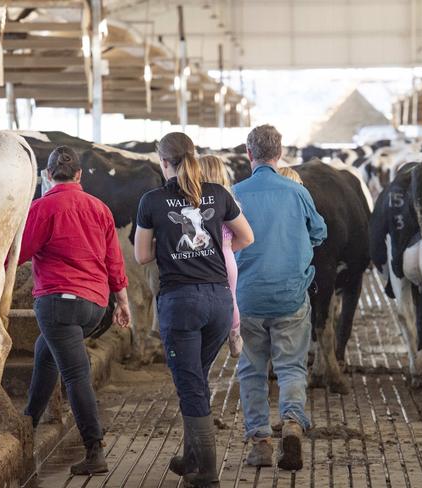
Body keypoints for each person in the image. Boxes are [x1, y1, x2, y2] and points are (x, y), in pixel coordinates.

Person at [134, 132, 254, 487]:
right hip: (219, 302)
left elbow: (141, 256)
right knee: (196, 379)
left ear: (162, 160)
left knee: (189, 387)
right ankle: (190, 458)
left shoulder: (152, 200)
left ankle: (207, 472)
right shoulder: (217, 194)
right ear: (194, 156)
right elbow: (246, 237)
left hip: (180, 303)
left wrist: (171, 248)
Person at [18, 146, 132, 475]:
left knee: (75, 373)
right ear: (80, 175)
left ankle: (94, 449)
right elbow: (114, 260)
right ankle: (29, 423)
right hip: (95, 306)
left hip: (58, 304)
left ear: (49, 175)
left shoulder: (43, 207)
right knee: (45, 350)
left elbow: (21, 252)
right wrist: (122, 302)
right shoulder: (99, 208)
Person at [233, 125, 326, 471]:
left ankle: (259, 443)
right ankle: (291, 424)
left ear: (248, 153)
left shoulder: (235, 193)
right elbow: (320, 231)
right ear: (280, 152)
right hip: (290, 295)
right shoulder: (296, 192)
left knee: (252, 370)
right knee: (291, 366)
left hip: (248, 298)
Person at [199, 154, 243, 358]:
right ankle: (234, 335)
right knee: (231, 296)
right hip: (227, 255)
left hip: (203, 255)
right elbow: (243, 235)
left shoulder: (194, 203)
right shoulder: (231, 200)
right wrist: (226, 247)